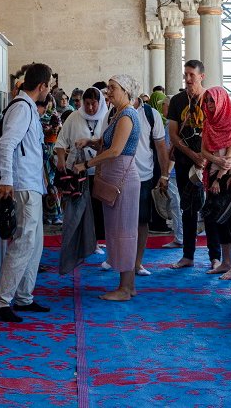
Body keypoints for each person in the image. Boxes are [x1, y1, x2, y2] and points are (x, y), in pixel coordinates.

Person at [0, 63, 53, 323]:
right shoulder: (21, 108)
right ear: (41, 86)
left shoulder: (27, 108)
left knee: (34, 243)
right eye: (48, 86)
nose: (48, 90)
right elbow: (7, 144)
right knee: (23, 242)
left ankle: (24, 296)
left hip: (31, 184)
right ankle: (2, 300)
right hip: (22, 185)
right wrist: (6, 179)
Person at [78, 74, 143, 301]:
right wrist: (90, 142)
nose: (108, 92)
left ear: (125, 90)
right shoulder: (118, 115)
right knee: (117, 232)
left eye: (113, 88)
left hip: (122, 178)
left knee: (124, 233)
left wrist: (86, 164)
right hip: (115, 176)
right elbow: (109, 144)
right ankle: (127, 285)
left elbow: (116, 151)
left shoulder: (127, 115)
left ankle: (126, 288)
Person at [166, 60, 218, 269]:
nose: (187, 79)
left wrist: (206, 157)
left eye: (191, 75)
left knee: (212, 209)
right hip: (184, 161)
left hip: (210, 162)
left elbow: (218, 130)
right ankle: (188, 255)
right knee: (187, 208)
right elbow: (173, 135)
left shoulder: (212, 99)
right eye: (185, 74)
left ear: (201, 76)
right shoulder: (178, 101)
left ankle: (215, 256)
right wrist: (192, 155)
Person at [54, 87, 106, 274]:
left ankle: (94, 242)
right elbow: (61, 143)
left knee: (97, 211)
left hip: (98, 172)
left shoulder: (106, 117)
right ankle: (76, 245)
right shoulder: (74, 117)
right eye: (87, 103)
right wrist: (61, 161)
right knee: (76, 210)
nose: (90, 108)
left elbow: (107, 144)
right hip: (75, 172)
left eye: (94, 104)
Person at [200, 85, 231, 279]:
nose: (209, 105)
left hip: (229, 178)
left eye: (212, 101)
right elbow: (203, 151)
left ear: (221, 102)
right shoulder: (209, 123)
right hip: (212, 175)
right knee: (218, 221)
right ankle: (225, 262)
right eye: (207, 101)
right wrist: (215, 162)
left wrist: (219, 177)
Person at [131, 92, 171, 276]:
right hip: (119, 178)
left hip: (143, 176)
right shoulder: (112, 114)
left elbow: (161, 147)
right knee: (120, 222)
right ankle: (118, 259)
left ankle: (137, 262)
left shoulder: (150, 114)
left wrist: (164, 175)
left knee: (141, 221)